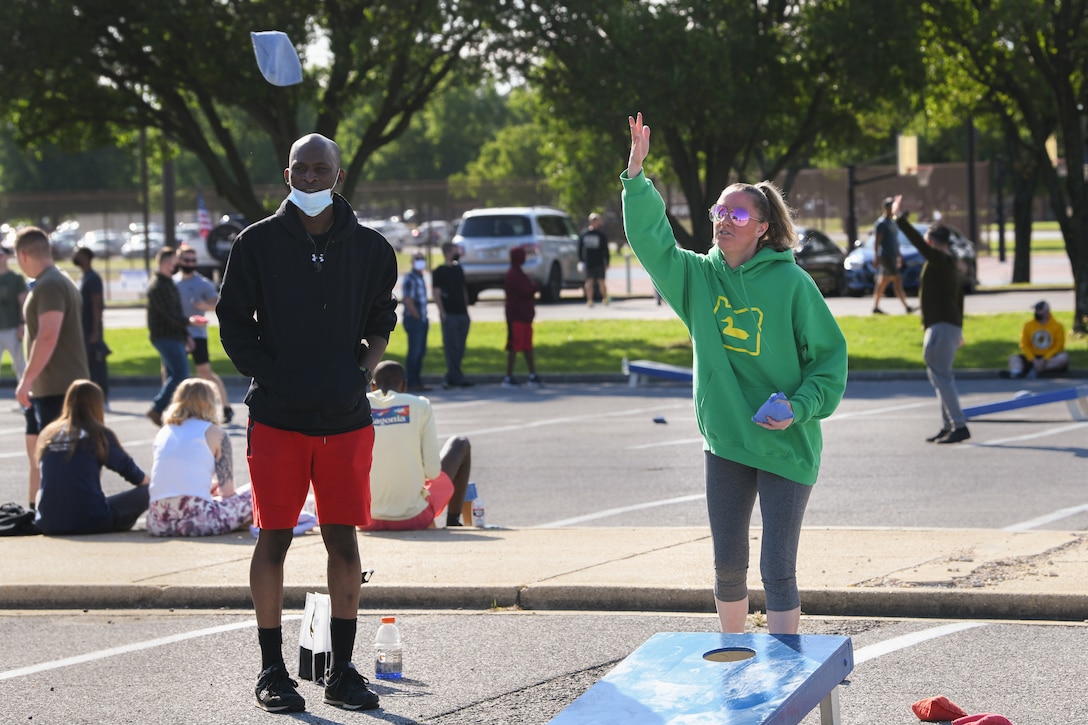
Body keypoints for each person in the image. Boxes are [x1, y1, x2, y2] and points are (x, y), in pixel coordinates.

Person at [622, 113, 847, 635]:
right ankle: (735, 659)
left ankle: (788, 673)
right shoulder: (697, 278)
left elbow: (830, 362)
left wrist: (800, 406)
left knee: (777, 570)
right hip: (726, 442)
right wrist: (636, 177)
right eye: (719, 211)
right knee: (727, 566)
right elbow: (653, 243)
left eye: (737, 214)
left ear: (763, 226)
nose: (723, 220)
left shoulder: (792, 284)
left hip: (786, 444)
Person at [217, 132, 398, 713]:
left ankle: (341, 670)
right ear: (287, 174)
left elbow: (381, 319)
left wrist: (359, 371)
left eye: (323, 170)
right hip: (277, 418)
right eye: (302, 170)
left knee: (342, 542)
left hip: (344, 418)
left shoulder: (372, 249)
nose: (313, 179)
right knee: (274, 538)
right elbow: (232, 323)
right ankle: (273, 670)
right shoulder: (256, 244)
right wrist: (272, 375)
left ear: (338, 177)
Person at [891, 196, 970, 444]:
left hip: (942, 327)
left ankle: (959, 425)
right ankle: (948, 425)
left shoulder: (940, 260)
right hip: (947, 326)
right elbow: (960, 299)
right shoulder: (948, 264)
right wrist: (960, 331)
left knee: (941, 376)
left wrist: (899, 218)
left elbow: (918, 243)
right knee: (938, 376)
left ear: (931, 241)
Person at [361, 360, 472, 530]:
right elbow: (433, 472)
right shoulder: (420, 405)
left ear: (373, 386)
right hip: (413, 517)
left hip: (365, 519)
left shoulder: (359, 404)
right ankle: (453, 521)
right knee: (460, 443)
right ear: (404, 385)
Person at [33, 379, 150, 535]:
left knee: (45, 491)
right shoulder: (98, 434)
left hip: (47, 522)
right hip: (90, 520)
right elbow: (133, 474)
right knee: (150, 490)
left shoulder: (49, 434)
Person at [147, 378, 251, 536]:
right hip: (198, 520)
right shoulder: (216, 433)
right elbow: (227, 492)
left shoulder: (164, 432)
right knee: (257, 490)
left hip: (157, 521)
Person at [14, 227, 89, 432]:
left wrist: (27, 379)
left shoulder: (50, 285)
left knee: (60, 458)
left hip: (58, 390)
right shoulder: (59, 280)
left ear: (22, 255)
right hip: (61, 387)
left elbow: (47, 336)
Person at [173, 244, 234, 423]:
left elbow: (218, 304)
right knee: (172, 372)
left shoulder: (202, 283)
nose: (190, 263)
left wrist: (204, 306)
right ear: (179, 261)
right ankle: (174, 408)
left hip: (198, 333)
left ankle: (225, 406)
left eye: (193, 260)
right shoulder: (173, 283)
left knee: (205, 372)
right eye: (187, 260)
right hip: (178, 334)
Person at [145, 247, 194, 427]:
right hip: (164, 336)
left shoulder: (167, 283)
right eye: (174, 263)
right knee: (181, 373)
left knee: (175, 374)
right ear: (166, 264)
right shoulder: (158, 286)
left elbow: (176, 312)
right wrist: (189, 322)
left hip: (174, 335)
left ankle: (170, 410)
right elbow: (170, 314)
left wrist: (186, 334)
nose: (177, 267)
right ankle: (158, 408)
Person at [431, 242, 472, 389]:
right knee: (451, 347)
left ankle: (451, 377)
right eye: (455, 251)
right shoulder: (439, 271)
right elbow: (436, 293)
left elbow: (463, 290)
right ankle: (456, 378)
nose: (458, 253)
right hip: (450, 314)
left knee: (460, 347)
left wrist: (467, 310)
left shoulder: (459, 269)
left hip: (462, 313)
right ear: (448, 253)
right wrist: (442, 312)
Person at [72, 248, 110, 402]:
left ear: (86, 257)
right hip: (85, 328)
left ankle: (102, 396)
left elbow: (97, 305)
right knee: (88, 363)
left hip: (91, 329)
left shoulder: (93, 278)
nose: (75, 257)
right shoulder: (85, 277)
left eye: (78, 254)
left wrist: (95, 330)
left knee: (96, 364)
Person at [502, 246, 543, 388]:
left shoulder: (518, 272)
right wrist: (535, 287)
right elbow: (526, 290)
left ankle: (532, 375)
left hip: (524, 316)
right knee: (514, 345)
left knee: (527, 346)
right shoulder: (513, 274)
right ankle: (508, 377)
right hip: (516, 316)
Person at [1003, 300, 1070, 379]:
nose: (1036, 312)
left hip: (1049, 357)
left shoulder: (1057, 326)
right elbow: (1024, 345)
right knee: (1013, 358)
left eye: (1039, 310)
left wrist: (1045, 359)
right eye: (1036, 310)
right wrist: (1033, 359)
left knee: (1063, 358)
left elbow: (1059, 346)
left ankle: (1033, 370)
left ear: (1046, 311)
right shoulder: (1028, 325)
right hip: (1033, 357)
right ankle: (1016, 373)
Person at [871, 197, 914, 315]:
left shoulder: (893, 223)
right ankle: (906, 306)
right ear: (884, 208)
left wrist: (899, 255)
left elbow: (896, 241)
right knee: (897, 279)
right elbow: (877, 241)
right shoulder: (881, 223)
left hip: (893, 255)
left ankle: (875, 307)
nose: (891, 210)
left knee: (883, 281)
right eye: (889, 207)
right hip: (886, 256)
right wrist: (876, 257)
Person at [0, 245, 28, 390]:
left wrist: (22, 324)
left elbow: (23, 302)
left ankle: (25, 397)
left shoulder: (15, 278)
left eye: (1, 256)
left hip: (12, 327)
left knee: (19, 365)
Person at [402, 250, 430, 391]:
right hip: (414, 320)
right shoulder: (410, 278)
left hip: (422, 320)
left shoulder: (420, 277)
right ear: (412, 262)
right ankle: (412, 382)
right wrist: (417, 317)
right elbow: (408, 300)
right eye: (417, 258)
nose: (420, 261)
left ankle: (417, 381)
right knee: (415, 351)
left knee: (421, 352)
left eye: (422, 258)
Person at [579, 212, 611, 306]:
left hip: (599, 262)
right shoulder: (585, 234)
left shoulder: (601, 235)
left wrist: (607, 261)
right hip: (589, 262)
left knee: (601, 281)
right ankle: (590, 300)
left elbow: (605, 249)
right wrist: (581, 260)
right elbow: (580, 248)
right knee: (589, 282)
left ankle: (605, 298)